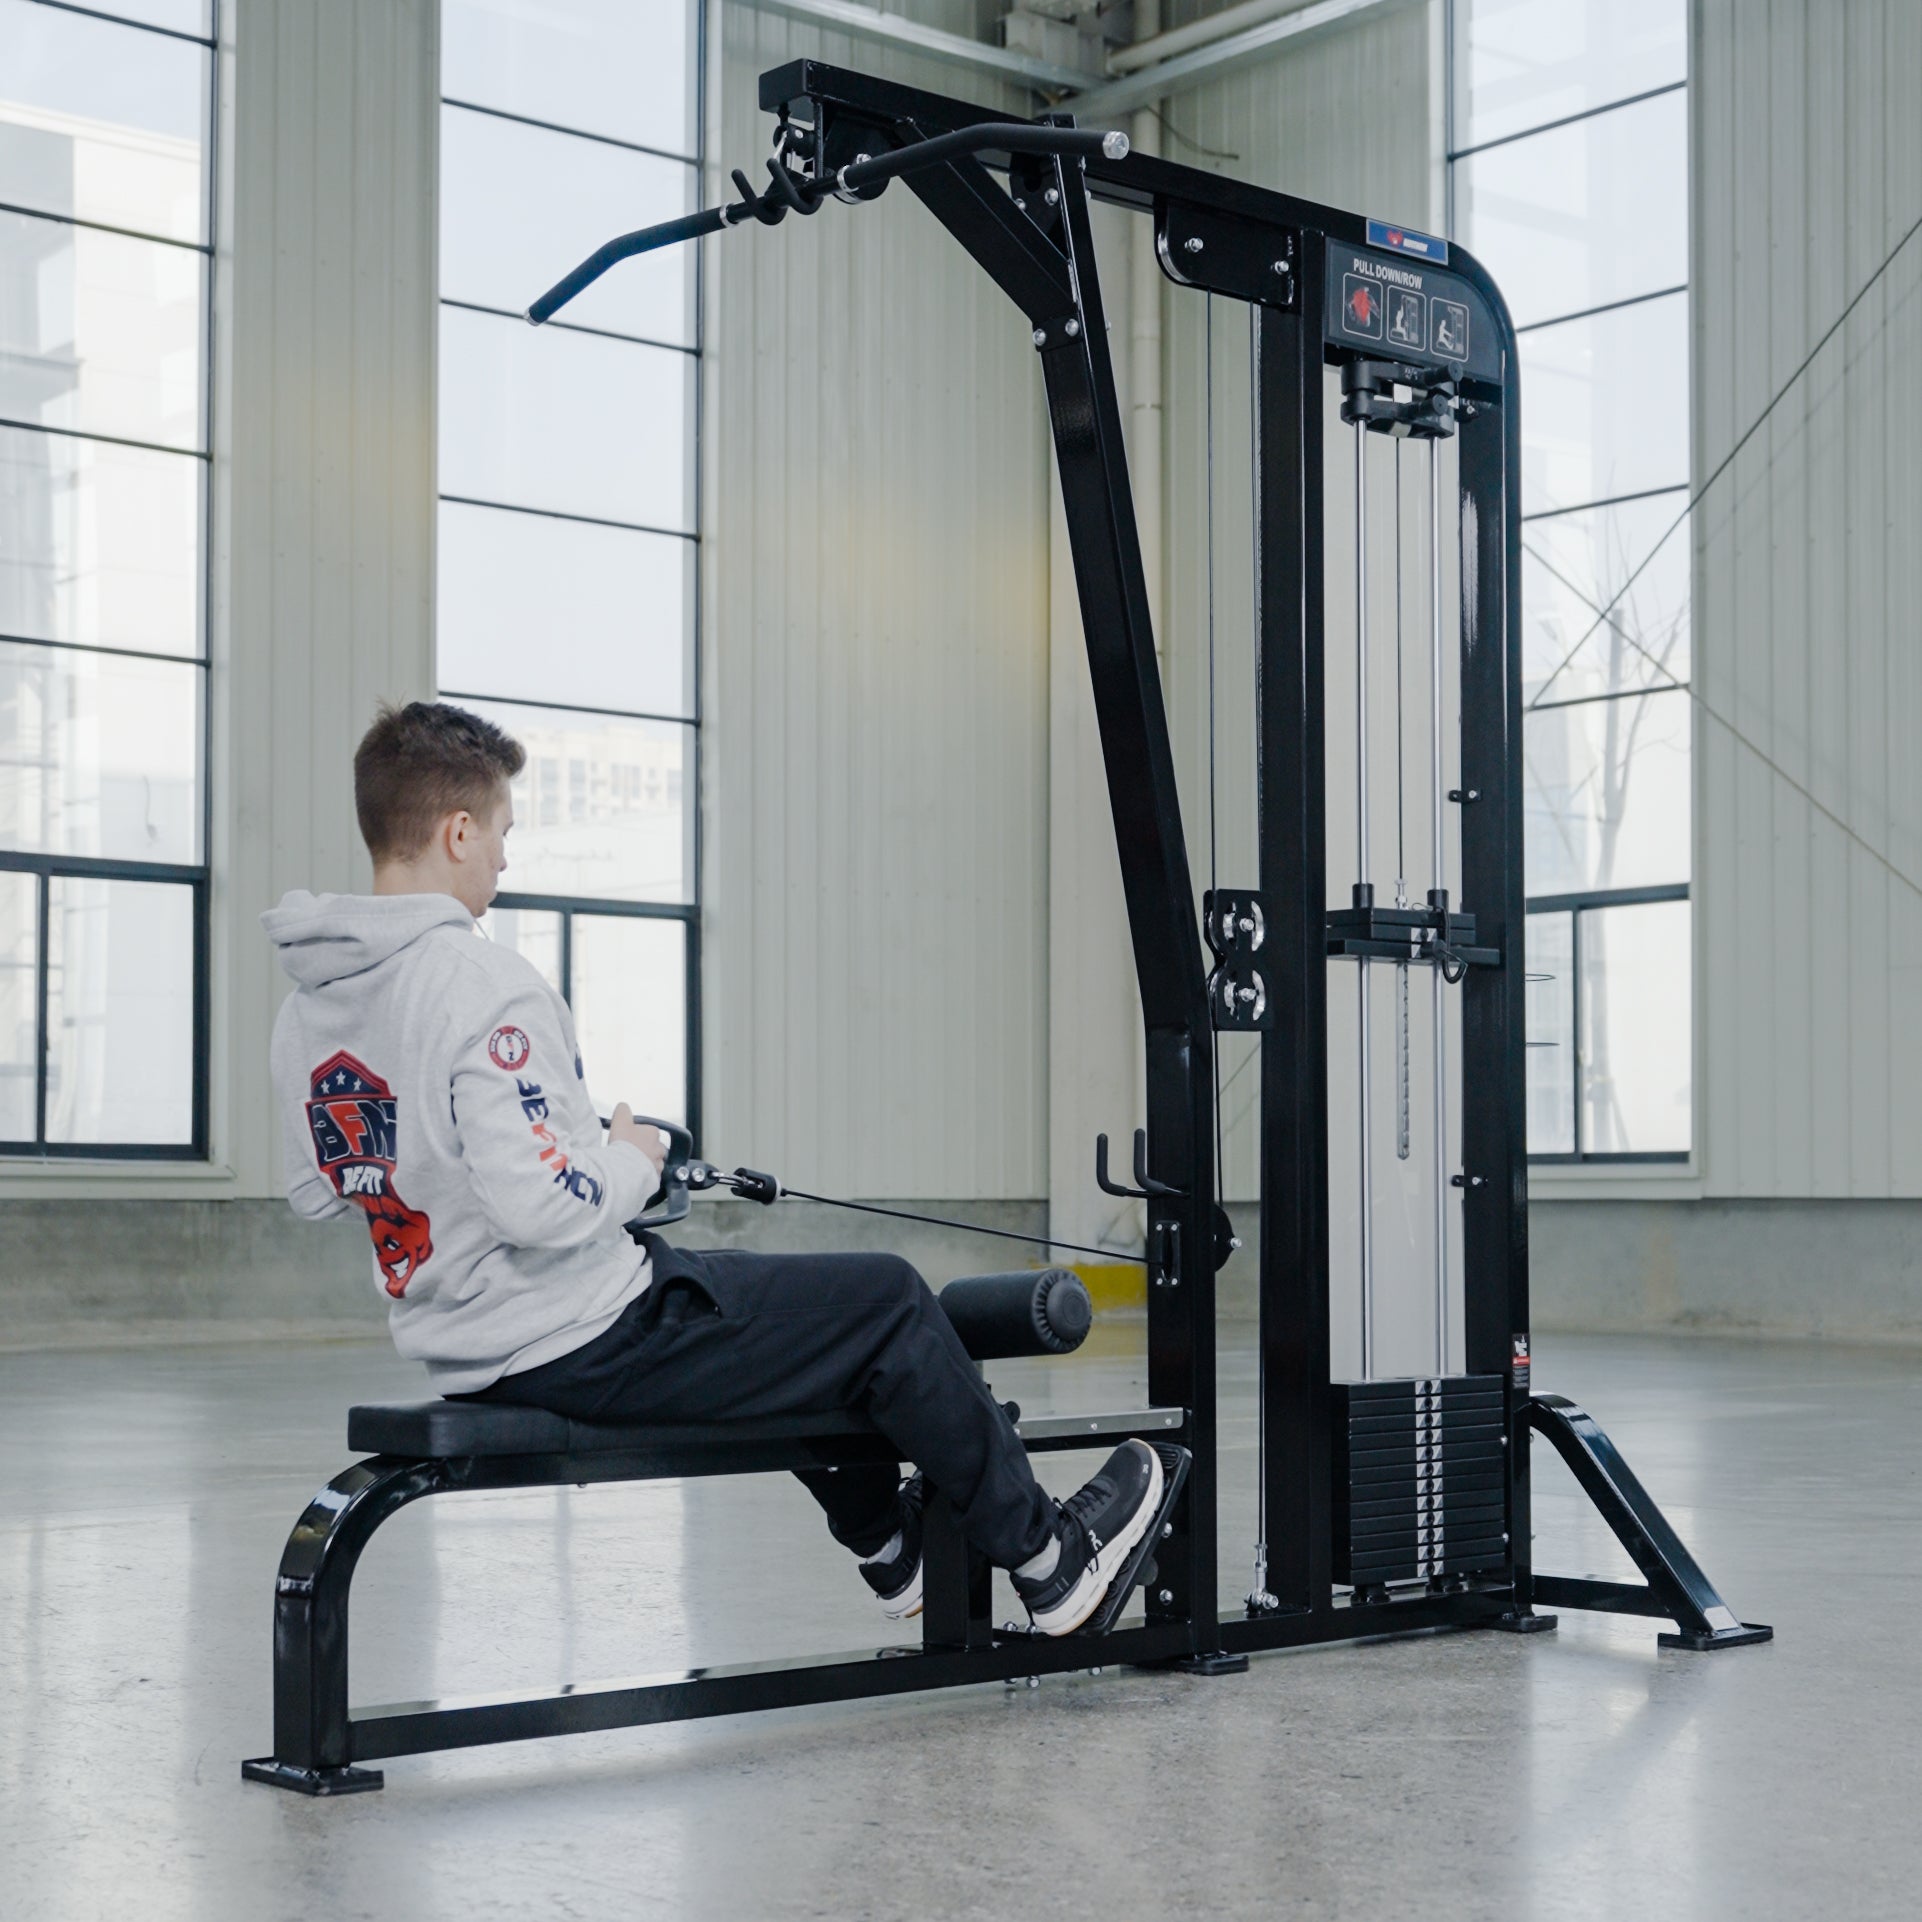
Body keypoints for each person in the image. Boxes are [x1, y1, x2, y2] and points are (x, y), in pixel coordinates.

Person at [265, 700, 1172, 1635]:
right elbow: (541, 1206)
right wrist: (627, 1158)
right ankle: (1053, 1561)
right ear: (457, 832)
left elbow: (322, 1188)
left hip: (468, 1344)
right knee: (891, 1302)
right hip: (580, 1334)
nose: (503, 859)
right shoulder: (479, 982)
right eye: (500, 833)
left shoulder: (311, 1009)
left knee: (791, 1318)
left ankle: (893, 1549)